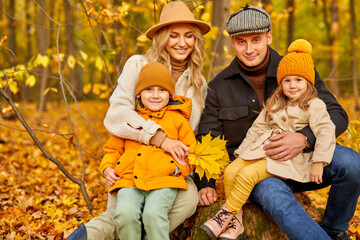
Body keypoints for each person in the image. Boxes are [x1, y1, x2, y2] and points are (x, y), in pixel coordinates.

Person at [195, 4, 360, 240]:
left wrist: (305, 138)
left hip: (305, 159)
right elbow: (207, 137)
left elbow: (337, 114)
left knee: (353, 163)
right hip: (258, 169)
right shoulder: (219, 86)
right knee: (275, 197)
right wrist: (205, 183)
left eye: (256, 40)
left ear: (269, 36)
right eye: (241, 42)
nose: (249, 49)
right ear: (232, 42)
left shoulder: (297, 69)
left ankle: (335, 230)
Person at [67, 1, 210, 240]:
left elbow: (190, 134)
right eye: (173, 35)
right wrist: (158, 138)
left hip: (168, 170)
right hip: (133, 161)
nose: (182, 43)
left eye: (188, 36)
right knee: (118, 218)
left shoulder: (198, 83)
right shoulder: (138, 64)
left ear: (196, 40)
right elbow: (117, 114)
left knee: (188, 200)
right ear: (162, 37)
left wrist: (181, 166)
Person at [100, 62, 196, 240]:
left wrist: (176, 169)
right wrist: (107, 168)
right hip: (129, 179)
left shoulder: (177, 120)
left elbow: (190, 153)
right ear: (139, 94)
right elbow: (112, 149)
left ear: (170, 94)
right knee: (125, 215)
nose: (155, 95)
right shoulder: (131, 120)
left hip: (164, 181)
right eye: (149, 89)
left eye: (162, 90)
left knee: (153, 215)